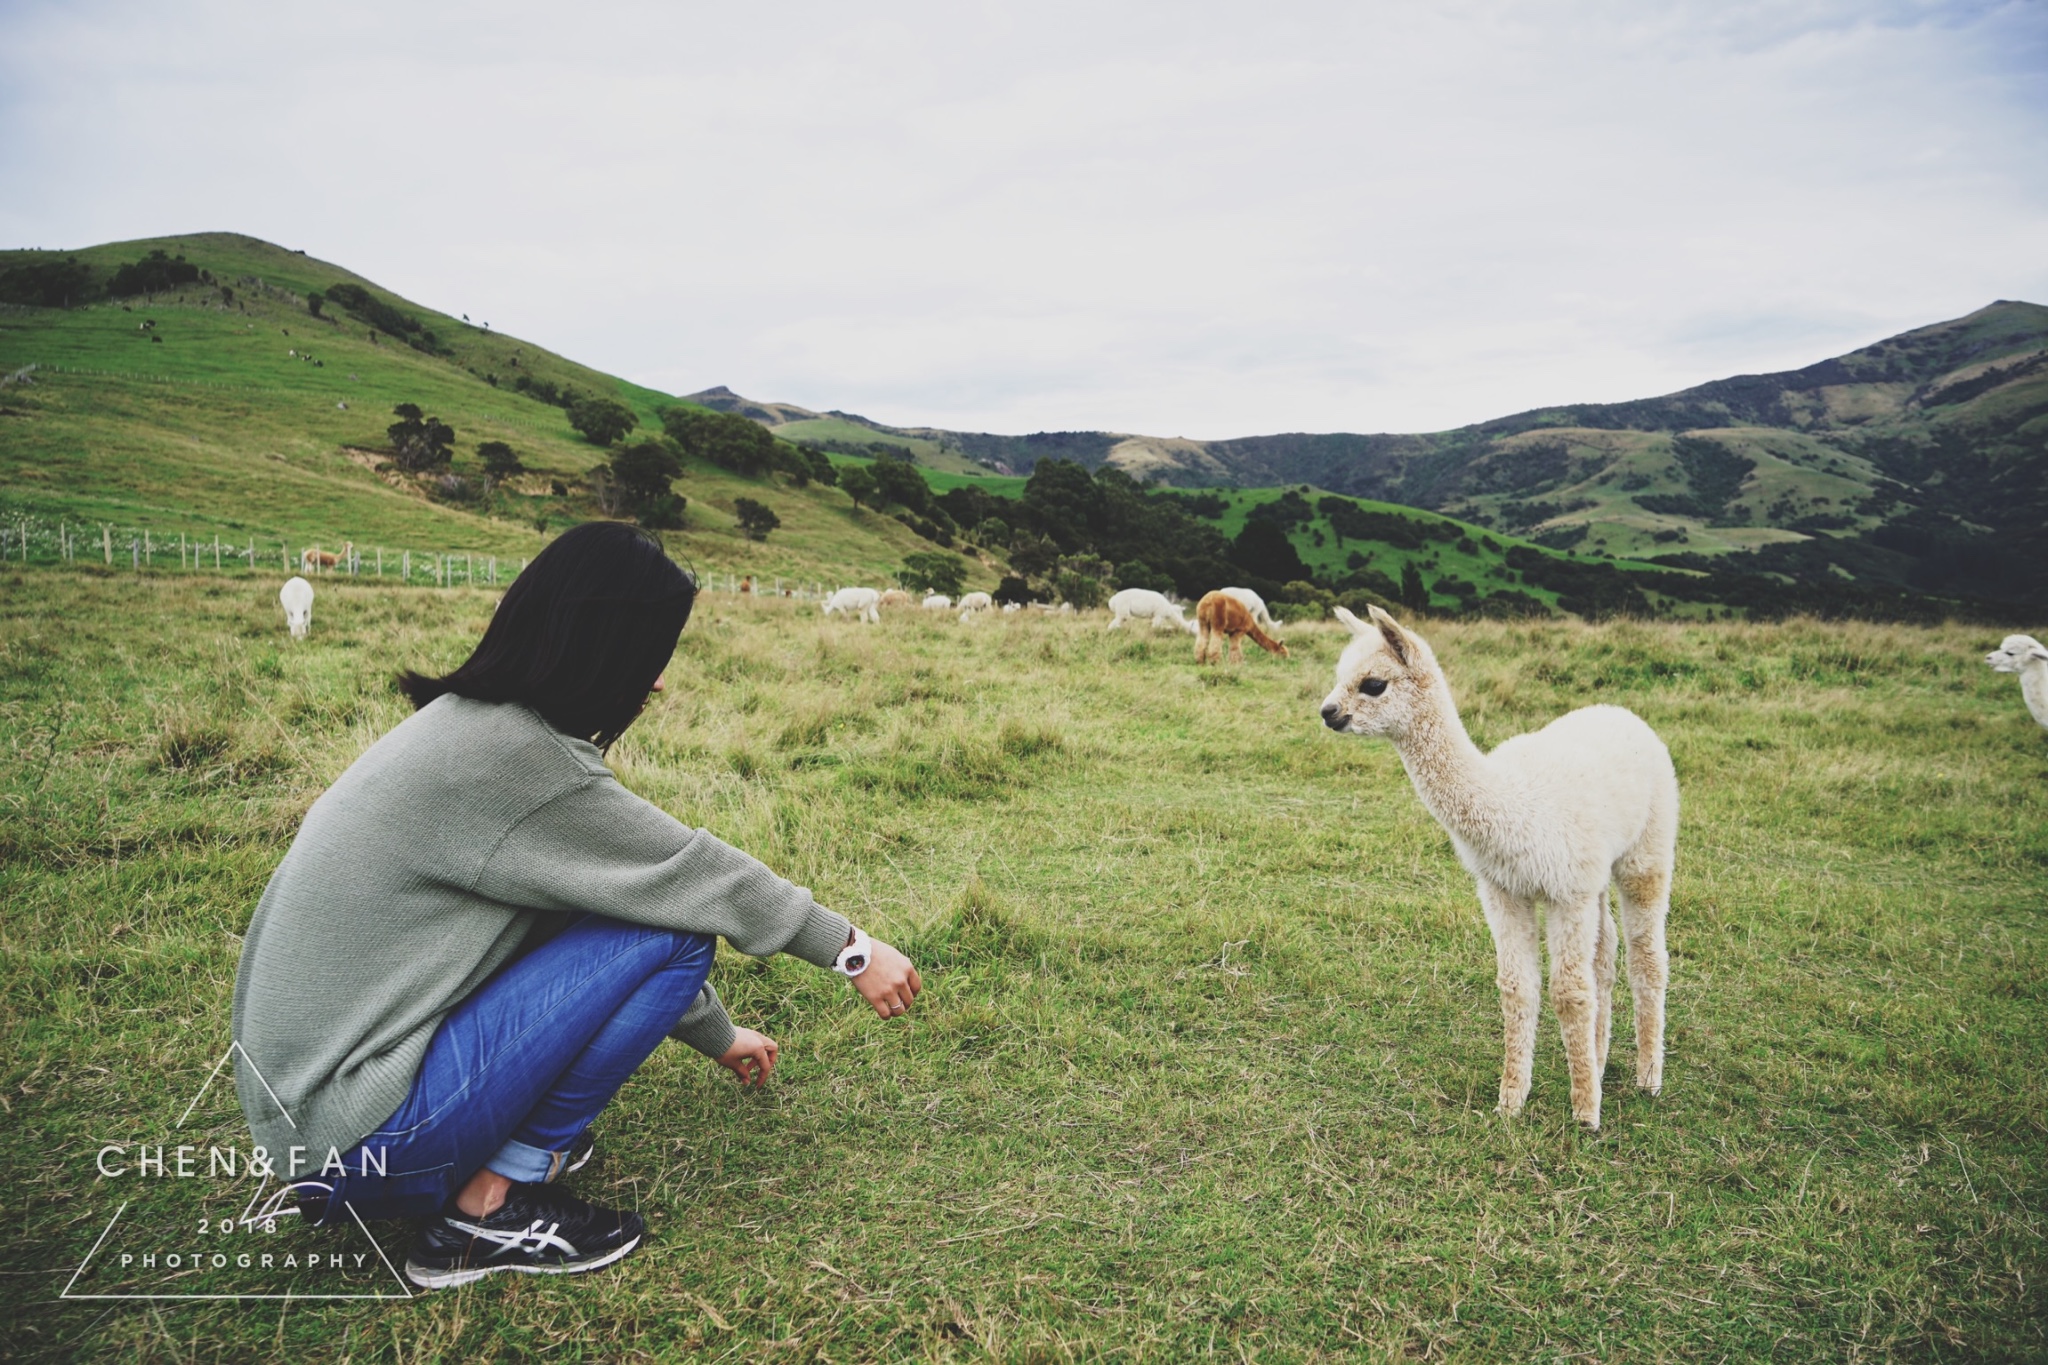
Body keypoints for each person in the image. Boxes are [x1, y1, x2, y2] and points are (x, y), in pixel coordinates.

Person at [231, 522, 921, 1289]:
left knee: (654, 925)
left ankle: (473, 1157)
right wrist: (852, 948)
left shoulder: (467, 728)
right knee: (682, 937)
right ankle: (484, 1209)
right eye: (651, 657)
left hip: (319, 1129)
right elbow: (693, 875)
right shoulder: (511, 755)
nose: (657, 684)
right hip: (360, 1141)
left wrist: (715, 1033)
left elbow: (592, 903)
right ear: (602, 643)